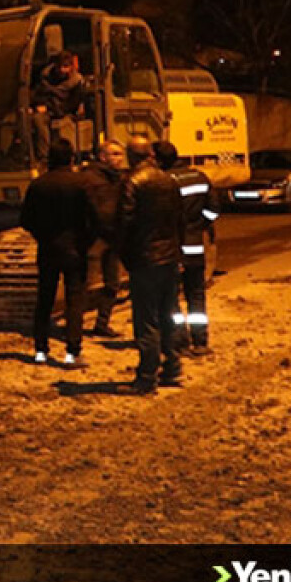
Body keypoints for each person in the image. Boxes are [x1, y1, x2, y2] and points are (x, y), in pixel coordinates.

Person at [115, 136, 184, 394]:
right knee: (168, 315)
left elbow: (124, 223)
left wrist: (125, 255)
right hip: (169, 257)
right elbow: (179, 221)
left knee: (146, 320)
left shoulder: (132, 182)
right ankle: (173, 367)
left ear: (130, 156)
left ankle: (146, 378)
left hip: (145, 259)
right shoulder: (168, 181)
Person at [19, 137, 95, 369]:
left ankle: (40, 351)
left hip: (48, 249)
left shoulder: (38, 185)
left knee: (44, 300)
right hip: (75, 250)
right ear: (72, 158)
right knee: (74, 301)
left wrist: (43, 237)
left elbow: (26, 220)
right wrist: (86, 241)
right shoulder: (81, 184)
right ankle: (72, 352)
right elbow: (92, 219)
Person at [156, 140, 220, 354]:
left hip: (173, 249)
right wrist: (200, 225)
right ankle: (200, 341)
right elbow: (214, 209)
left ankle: (180, 340)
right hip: (196, 246)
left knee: (171, 297)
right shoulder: (199, 177)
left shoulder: (165, 181)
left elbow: (164, 217)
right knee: (196, 295)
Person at [82, 139, 126, 338]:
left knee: (112, 284)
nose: (119, 159)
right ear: (102, 157)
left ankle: (102, 323)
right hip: (93, 237)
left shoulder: (117, 179)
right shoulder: (90, 178)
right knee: (85, 284)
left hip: (112, 237)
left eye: (121, 154)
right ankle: (75, 325)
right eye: (114, 154)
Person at [31, 50, 86, 162]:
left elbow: (72, 104)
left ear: (71, 67)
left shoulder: (76, 82)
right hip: (46, 108)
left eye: (66, 66)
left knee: (39, 120)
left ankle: (44, 157)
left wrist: (50, 109)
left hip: (64, 111)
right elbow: (37, 94)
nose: (62, 70)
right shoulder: (45, 78)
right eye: (59, 66)